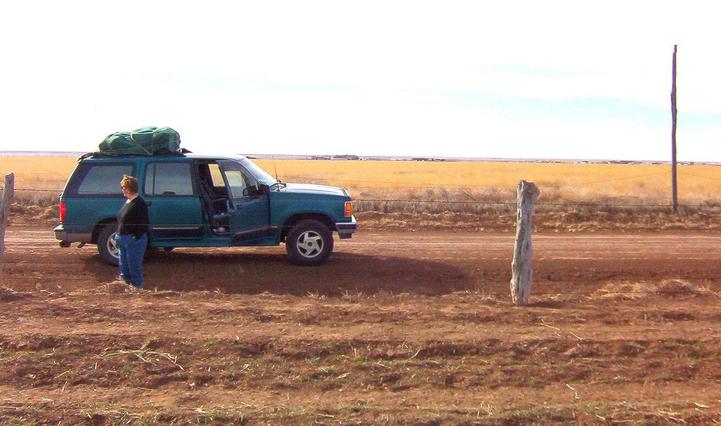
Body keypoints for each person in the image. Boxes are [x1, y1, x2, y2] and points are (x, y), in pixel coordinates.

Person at [115, 175, 149, 288]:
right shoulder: (128, 202)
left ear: (129, 189)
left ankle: (137, 289)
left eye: (123, 187)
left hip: (133, 240)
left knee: (134, 267)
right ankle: (126, 288)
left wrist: (135, 237)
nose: (122, 190)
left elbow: (143, 223)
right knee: (124, 268)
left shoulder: (139, 203)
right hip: (122, 239)